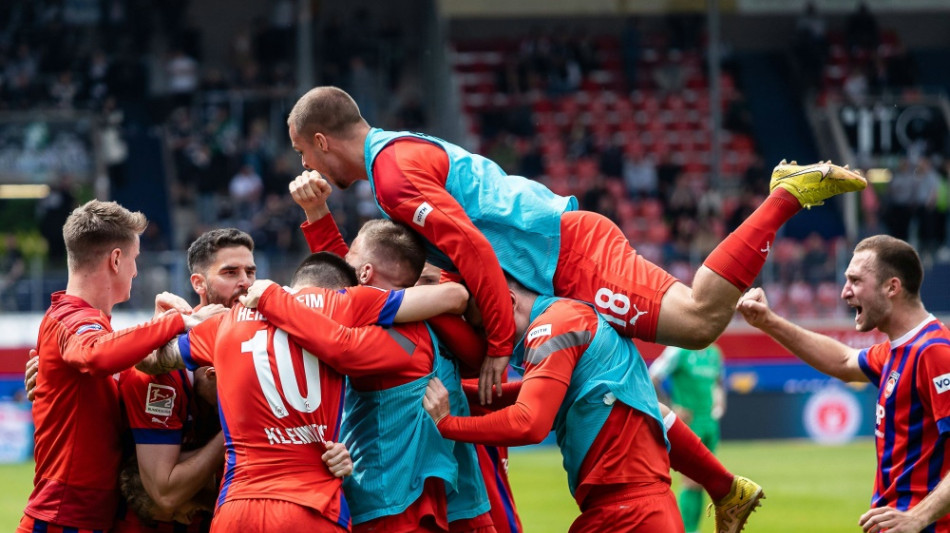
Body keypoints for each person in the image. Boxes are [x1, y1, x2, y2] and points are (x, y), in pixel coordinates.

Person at [286, 86, 867, 403]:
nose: (304, 165)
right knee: (611, 380)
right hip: (558, 259)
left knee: (697, 322)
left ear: (320, 140)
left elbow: (473, 249)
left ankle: (784, 196)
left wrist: (499, 344)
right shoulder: (394, 157)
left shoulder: (391, 177)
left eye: (302, 153)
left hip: (569, 255)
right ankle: (719, 483)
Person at [291, 170, 758, 533]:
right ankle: (722, 485)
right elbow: (351, 289)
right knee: (625, 396)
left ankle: (721, 484)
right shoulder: (443, 312)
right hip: (462, 483)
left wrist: (272, 297)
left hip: (440, 485)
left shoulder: (449, 320)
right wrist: (317, 217)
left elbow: (341, 307)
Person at [290, 195, 495, 533]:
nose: (343, 266)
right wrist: (317, 214)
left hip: (397, 503)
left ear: (364, 272)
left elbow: (338, 337)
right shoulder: (433, 323)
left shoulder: (399, 333)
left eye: (350, 257)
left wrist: (272, 302)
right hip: (445, 497)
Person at [422, 275, 682, 532]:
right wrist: (459, 393)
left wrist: (447, 424)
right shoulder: (569, 318)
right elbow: (534, 395)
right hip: (636, 510)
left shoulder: (552, 326)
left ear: (509, 302)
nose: (486, 342)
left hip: (627, 516)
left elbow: (528, 424)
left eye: (483, 328)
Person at [18, 200, 212, 533]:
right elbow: (95, 355)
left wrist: (156, 329)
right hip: (63, 519)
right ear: (116, 259)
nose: (135, 271)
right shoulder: (73, 320)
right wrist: (175, 323)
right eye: (135, 259)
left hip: (81, 517)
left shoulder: (87, 324)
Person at [737, 235, 950, 533]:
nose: (844, 292)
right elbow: (843, 361)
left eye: (855, 280)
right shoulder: (897, 350)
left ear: (892, 287)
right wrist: (767, 321)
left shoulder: (934, 352)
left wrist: (918, 517)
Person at [650, 344, 727, 533]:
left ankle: (693, 528)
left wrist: (719, 405)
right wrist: (669, 408)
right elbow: (652, 377)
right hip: (688, 423)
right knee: (690, 480)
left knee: (704, 481)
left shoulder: (715, 353)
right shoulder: (679, 350)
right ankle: (686, 529)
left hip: (709, 423)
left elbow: (719, 383)